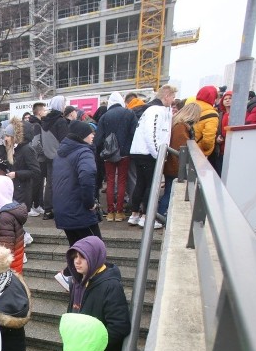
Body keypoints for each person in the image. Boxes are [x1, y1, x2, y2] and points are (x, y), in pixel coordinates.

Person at [65, 236, 131, 351]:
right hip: (79, 350)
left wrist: (92, 346)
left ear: (94, 257)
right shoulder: (76, 280)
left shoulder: (111, 286)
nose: (77, 261)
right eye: (75, 256)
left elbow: (119, 326)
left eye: (82, 257)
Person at [52, 121, 102, 282]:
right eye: (90, 133)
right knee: (96, 249)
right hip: (79, 209)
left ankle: (70, 276)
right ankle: (72, 276)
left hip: (63, 209)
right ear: (82, 136)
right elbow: (87, 177)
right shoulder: (83, 152)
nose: (93, 135)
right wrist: (90, 203)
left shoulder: (60, 154)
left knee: (77, 246)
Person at [127, 86, 174, 229]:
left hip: (141, 151)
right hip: (148, 153)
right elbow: (151, 133)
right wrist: (157, 154)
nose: (172, 100)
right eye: (172, 97)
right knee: (150, 185)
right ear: (166, 96)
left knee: (141, 184)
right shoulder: (156, 111)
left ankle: (135, 214)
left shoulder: (152, 110)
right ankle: (145, 216)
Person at [94, 92, 138, 221]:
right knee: (122, 180)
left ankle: (110, 211)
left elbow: (98, 139)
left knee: (110, 181)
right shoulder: (129, 113)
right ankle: (119, 211)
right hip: (124, 153)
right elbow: (135, 133)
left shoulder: (104, 116)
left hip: (109, 154)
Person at [161, 102, 201, 219]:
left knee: (169, 191)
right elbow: (181, 146)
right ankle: (162, 213)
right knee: (170, 192)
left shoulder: (177, 124)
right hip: (176, 165)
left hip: (171, 164)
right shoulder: (181, 127)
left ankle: (161, 213)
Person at [40, 95, 71, 220]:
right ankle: (60, 208)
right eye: (63, 104)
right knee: (61, 183)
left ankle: (48, 209)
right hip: (60, 156)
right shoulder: (60, 121)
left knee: (50, 183)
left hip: (48, 155)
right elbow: (65, 141)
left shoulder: (44, 121)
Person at [4, 117, 40, 210]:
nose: (5, 138)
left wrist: (16, 174)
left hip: (22, 193)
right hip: (15, 191)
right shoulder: (14, 149)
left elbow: (35, 172)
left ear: (14, 137)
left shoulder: (27, 149)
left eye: (7, 136)